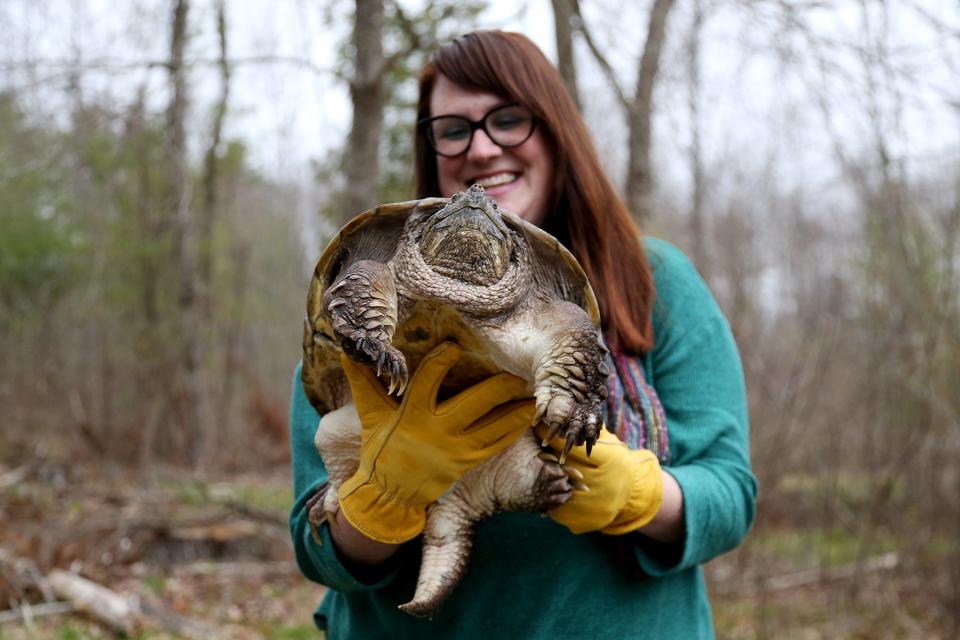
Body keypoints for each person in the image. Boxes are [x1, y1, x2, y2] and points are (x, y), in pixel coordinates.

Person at [289, 30, 756, 638]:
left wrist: (639, 495)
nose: (481, 150)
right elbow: (314, 546)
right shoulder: (370, 272)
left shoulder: (652, 281)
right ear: (429, 148)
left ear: (557, 131)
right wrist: (380, 499)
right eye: (453, 129)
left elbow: (730, 495)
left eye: (509, 120)